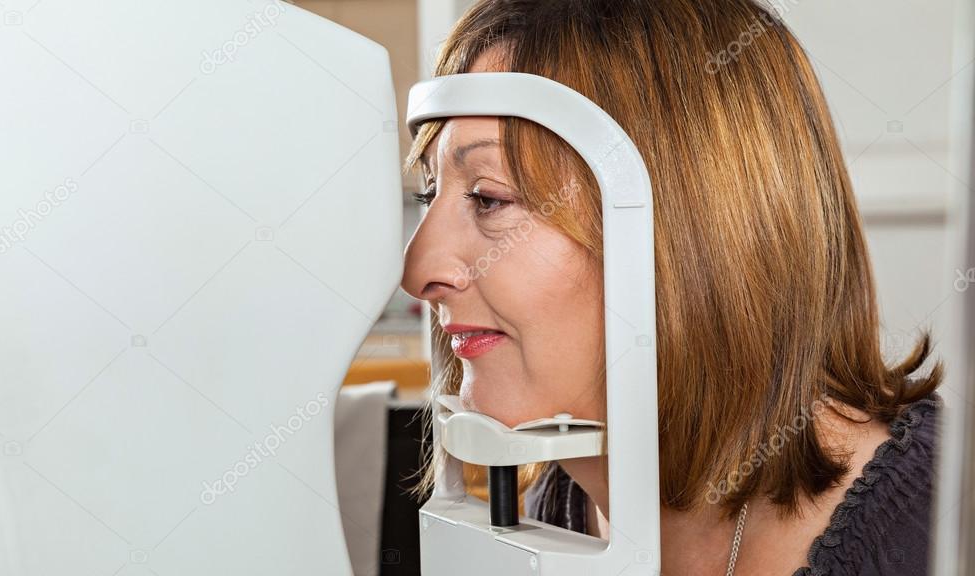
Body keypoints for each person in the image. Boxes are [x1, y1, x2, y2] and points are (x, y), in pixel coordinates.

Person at [398, 0, 944, 573]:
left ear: (693, 229)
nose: (418, 272)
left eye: (490, 198)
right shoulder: (560, 506)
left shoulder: (932, 532)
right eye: (428, 194)